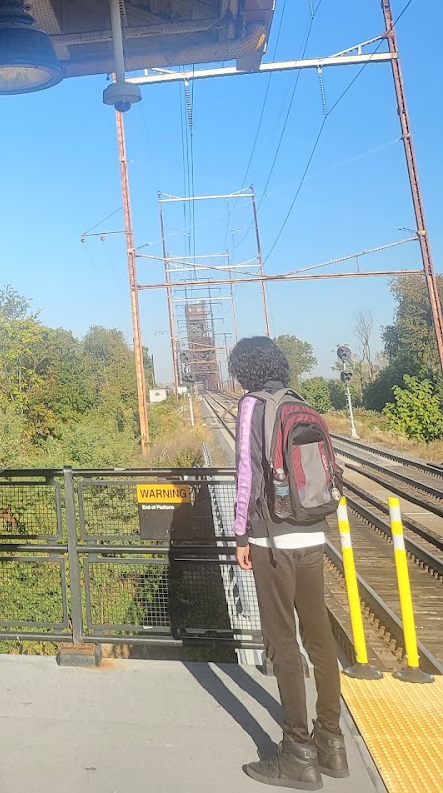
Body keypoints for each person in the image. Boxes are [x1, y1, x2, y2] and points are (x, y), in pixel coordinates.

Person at [229, 336, 348, 789]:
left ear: (245, 369)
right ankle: (331, 743)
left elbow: (247, 473)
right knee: (320, 641)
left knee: (282, 644)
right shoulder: (300, 401)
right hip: (313, 534)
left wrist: (241, 534)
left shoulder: (252, 406)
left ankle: (297, 752)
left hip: (272, 540)